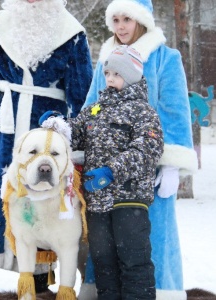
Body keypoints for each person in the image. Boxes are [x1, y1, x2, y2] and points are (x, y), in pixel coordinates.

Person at [0, 0, 93, 299]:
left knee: (42, 206)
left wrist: (77, 146)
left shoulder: (71, 33)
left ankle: (37, 281)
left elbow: (82, 92)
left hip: (45, 136)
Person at [79, 0, 198, 299]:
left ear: (141, 21)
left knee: (149, 241)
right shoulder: (105, 58)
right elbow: (91, 107)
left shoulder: (165, 58)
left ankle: (158, 292)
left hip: (148, 168)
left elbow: (175, 110)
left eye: (127, 20)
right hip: (104, 172)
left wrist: (172, 162)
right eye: (115, 20)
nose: (120, 27)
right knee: (105, 247)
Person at [40, 44, 164, 299]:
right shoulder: (95, 110)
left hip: (128, 200)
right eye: (108, 74)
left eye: (116, 74)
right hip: (97, 203)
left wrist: (111, 170)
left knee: (133, 261)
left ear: (130, 77)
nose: (109, 79)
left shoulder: (144, 112)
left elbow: (147, 149)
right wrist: (57, 126)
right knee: (104, 264)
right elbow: (74, 134)